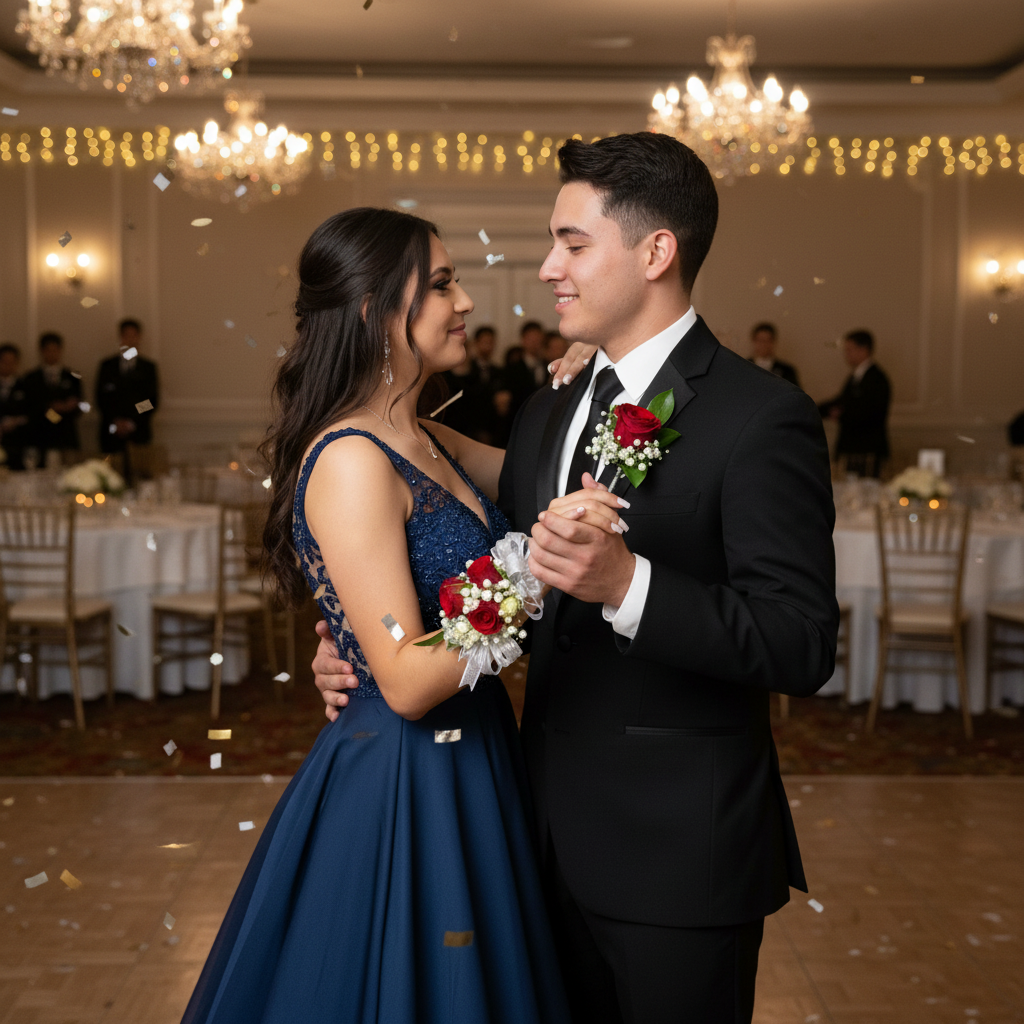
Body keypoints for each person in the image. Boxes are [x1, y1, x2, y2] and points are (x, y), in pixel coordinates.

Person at [314, 133, 839, 1023]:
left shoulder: (762, 416)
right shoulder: (551, 405)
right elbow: (439, 522)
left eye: (573, 243)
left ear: (656, 251)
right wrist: (362, 648)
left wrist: (630, 585)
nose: (549, 267)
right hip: (530, 839)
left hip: (679, 859)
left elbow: (801, 642)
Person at [181, 207, 608, 1024]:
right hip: (406, 774)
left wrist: (599, 374)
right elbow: (407, 682)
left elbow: (568, 474)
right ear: (376, 311)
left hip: (478, 750)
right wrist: (535, 575)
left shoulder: (430, 439)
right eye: (442, 284)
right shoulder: (350, 460)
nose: (465, 302)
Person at [818, 329, 891, 477]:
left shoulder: (877, 379)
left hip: (867, 449)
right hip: (852, 447)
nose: (846, 354)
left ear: (863, 350)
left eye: (849, 350)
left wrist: (841, 414)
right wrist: (813, 409)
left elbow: (871, 412)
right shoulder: (855, 377)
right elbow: (841, 400)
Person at [95, 318, 160, 480]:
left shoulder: (148, 368)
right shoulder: (107, 366)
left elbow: (151, 401)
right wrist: (116, 421)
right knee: (110, 478)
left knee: (139, 478)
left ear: (139, 337)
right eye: (126, 336)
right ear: (121, 338)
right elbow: (101, 399)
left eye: (133, 336)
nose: (130, 340)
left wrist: (131, 420)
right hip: (111, 433)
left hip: (139, 433)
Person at [20, 332, 82, 465]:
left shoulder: (72, 377)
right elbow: (31, 407)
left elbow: (80, 406)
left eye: (55, 350)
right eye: (49, 350)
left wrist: (68, 407)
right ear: (42, 351)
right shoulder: (31, 378)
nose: (52, 354)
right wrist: (53, 410)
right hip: (41, 436)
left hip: (66, 436)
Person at [0, 343, 29, 470]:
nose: (8, 365)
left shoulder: (25, 385)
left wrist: (16, 421)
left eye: (12, 362)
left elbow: (32, 412)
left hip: (19, 442)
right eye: (4, 362)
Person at [748, 321, 800, 387]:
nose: (763, 345)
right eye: (760, 340)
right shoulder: (744, 367)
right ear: (754, 341)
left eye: (767, 340)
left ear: (773, 342)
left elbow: (795, 392)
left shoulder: (787, 371)